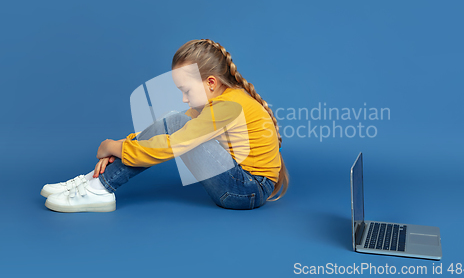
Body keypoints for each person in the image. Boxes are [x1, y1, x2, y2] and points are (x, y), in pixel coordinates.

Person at [41, 39, 289, 212]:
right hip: (244, 186)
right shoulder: (224, 101)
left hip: (245, 191)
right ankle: (94, 181)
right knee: (176, 121)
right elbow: (164, 130)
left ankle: (98, 188)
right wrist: (122, 146)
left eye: (186, 90)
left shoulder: (227, 107)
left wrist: (115, 147)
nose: (184, 98)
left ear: (211, 82)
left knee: (176, 123)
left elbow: (172, 144)